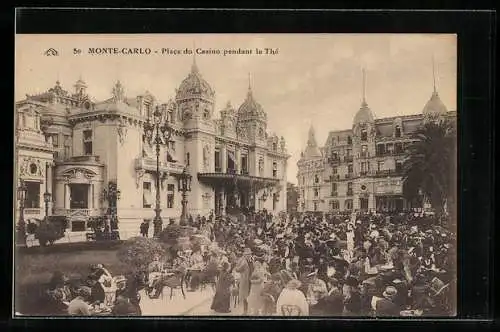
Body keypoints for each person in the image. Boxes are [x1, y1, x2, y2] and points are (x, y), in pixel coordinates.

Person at [235, 248, 253, 314]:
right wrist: (240, 264)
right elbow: (237, 269)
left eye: (250, 254)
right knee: (245, 296)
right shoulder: (243, 261)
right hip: (245, 281)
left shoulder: (251, 261)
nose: (249, 255)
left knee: (250, 295)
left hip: (251, 281)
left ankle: (249, 310)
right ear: (244, 255)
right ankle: (245, 311)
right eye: (247, 254)